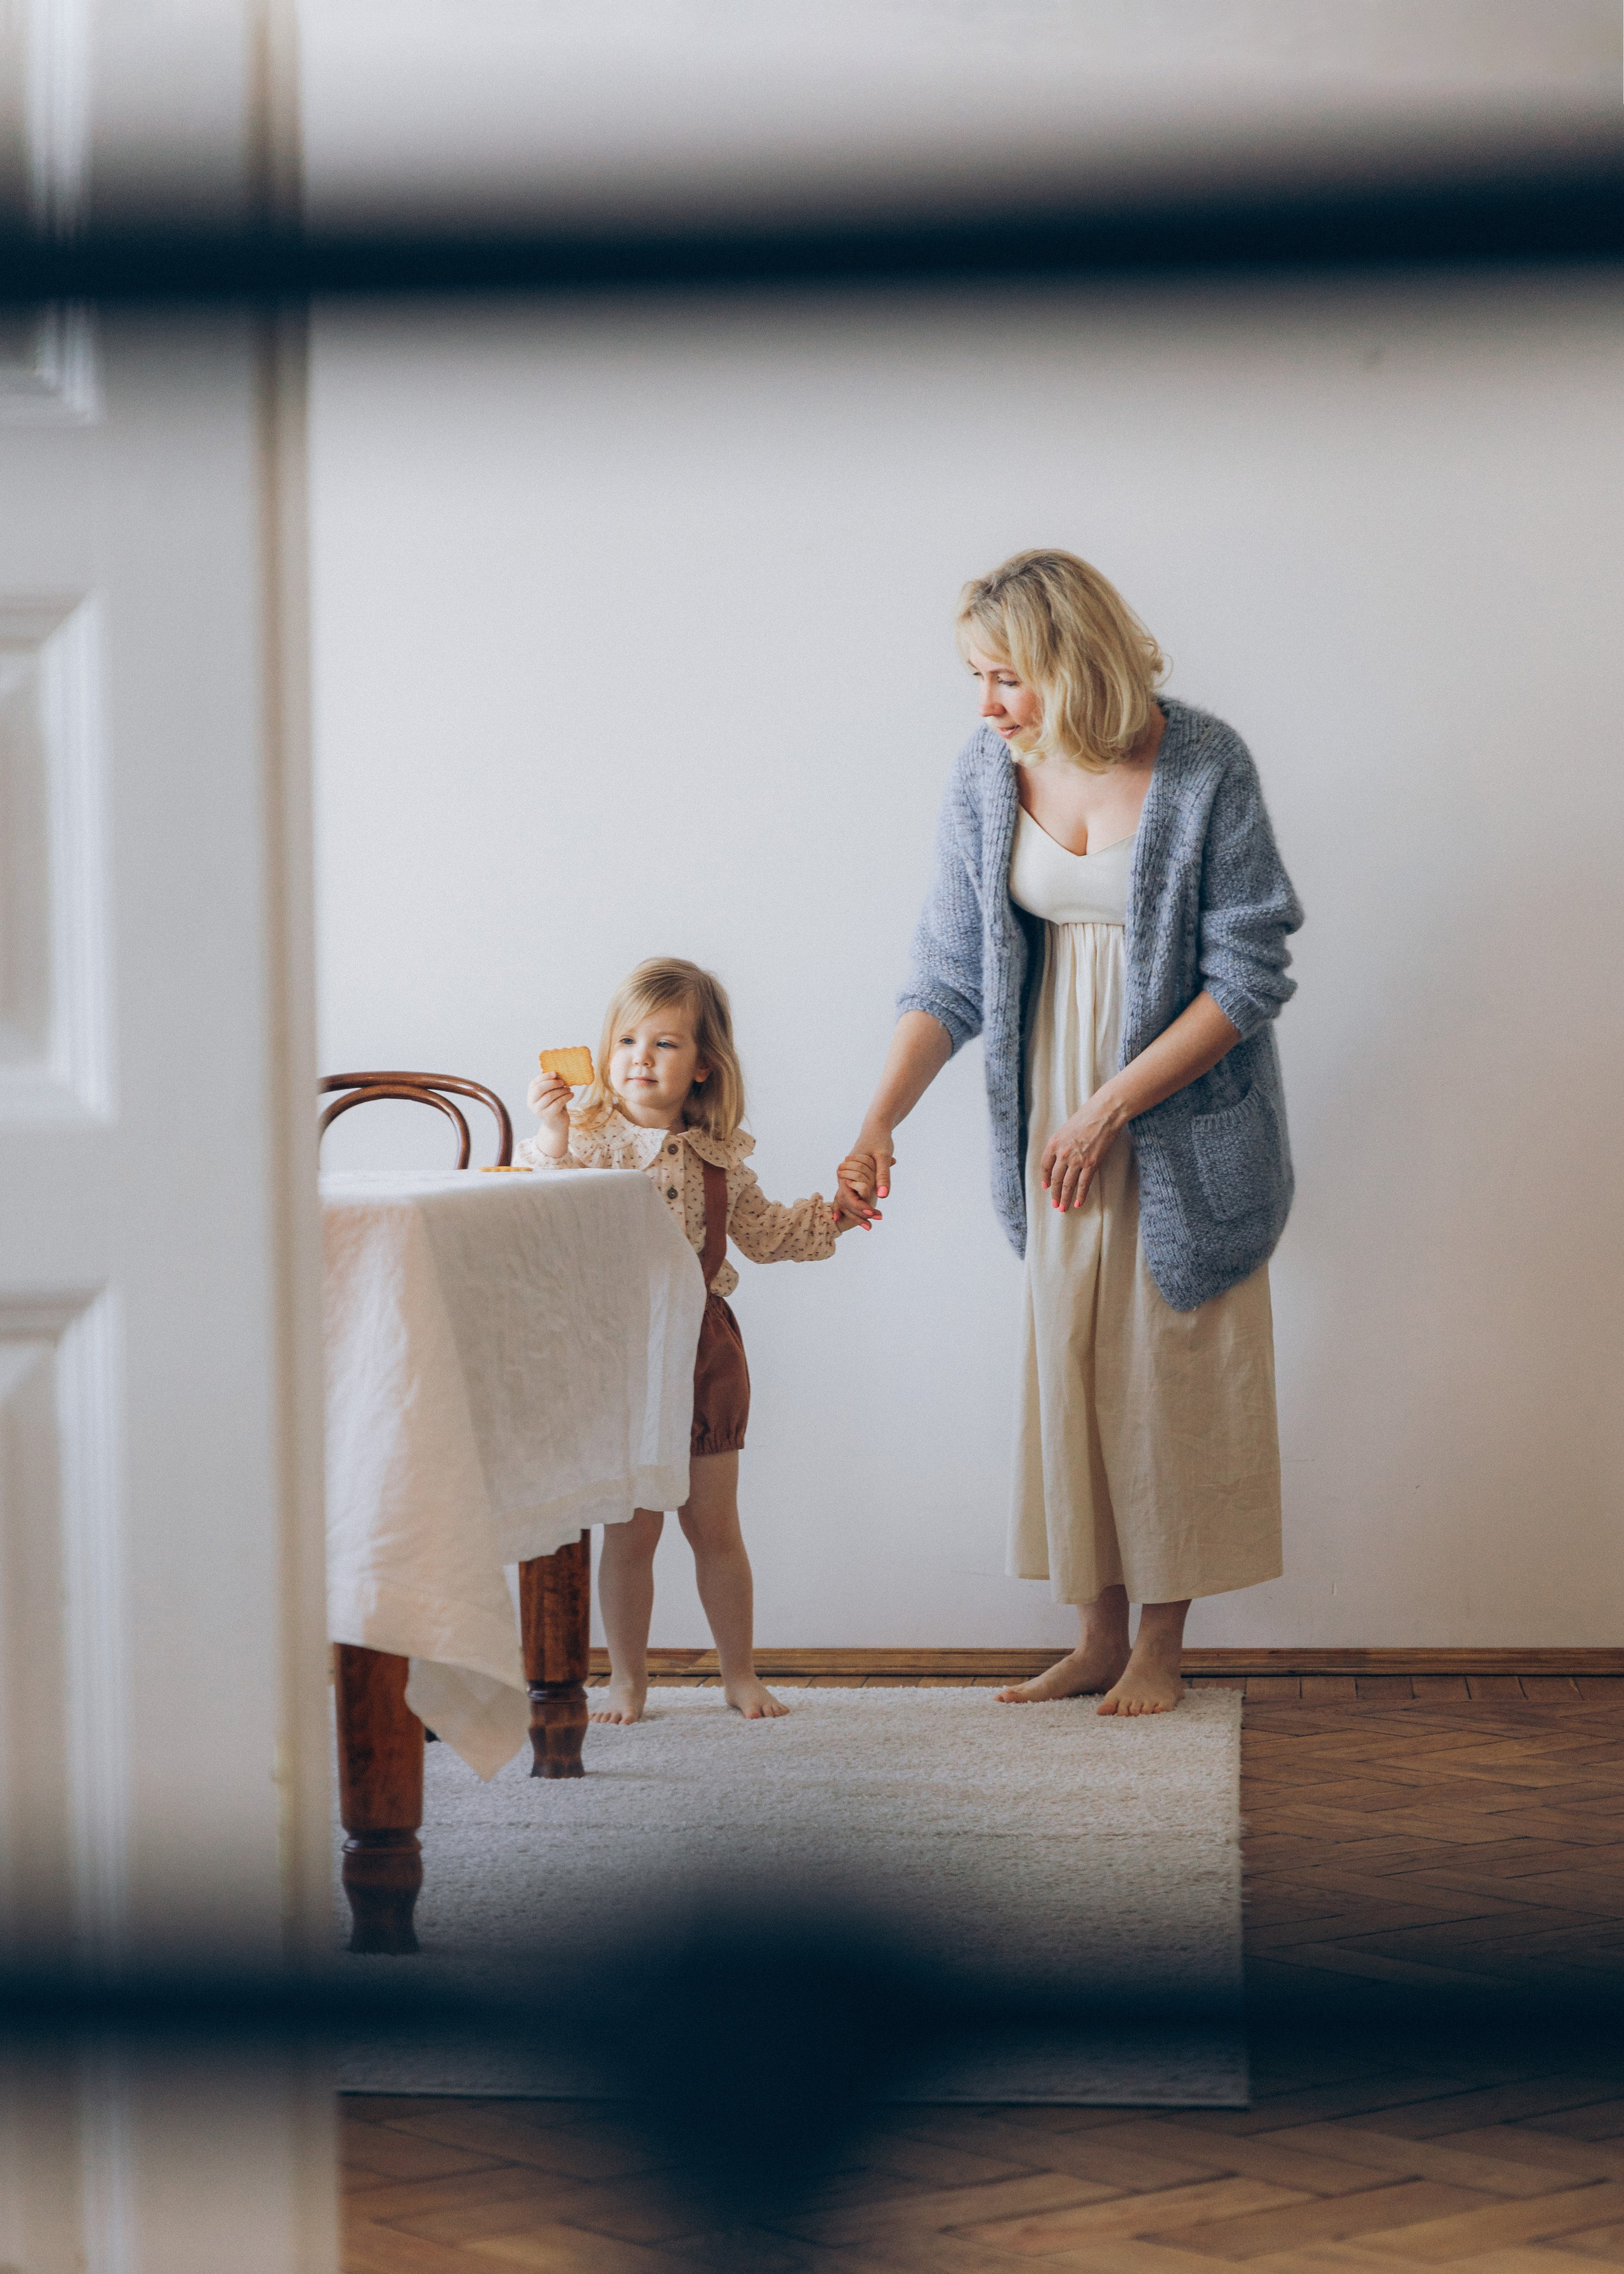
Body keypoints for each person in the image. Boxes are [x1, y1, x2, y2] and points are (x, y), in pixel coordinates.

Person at [836, 550, 1303, 1718]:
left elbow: (1248, 973)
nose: (985, 705)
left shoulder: (1202, 765)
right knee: (1075, 1353)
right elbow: (948, 971)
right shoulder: (987, 772)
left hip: (1176, 1109)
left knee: (1177, 1361)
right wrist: (879, 1117)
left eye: (1005, 677)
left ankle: (1161, 1642)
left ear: (1071, 660)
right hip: (1051, 1099)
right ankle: (1094, 1634)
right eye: (978, 678)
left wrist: (1110, 1105)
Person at [520, 956, 856, 1723]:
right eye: (628, 1039)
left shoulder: (720, 1160)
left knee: (715, 1528)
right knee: (630, 1535)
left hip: (702, 1353)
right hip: (618, 1353)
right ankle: (626, 1680)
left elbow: (770, 1235)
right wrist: (550, 1131)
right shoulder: (589, 1142)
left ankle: (739, 1672)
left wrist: (836, 1211)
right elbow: (543, 1202)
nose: (642, 1056)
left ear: (703, 1066)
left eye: (666, 1044)